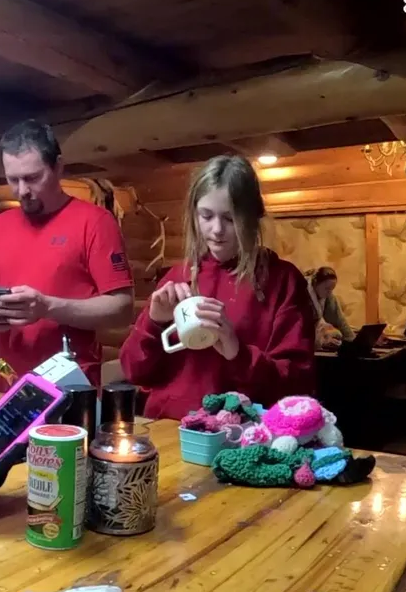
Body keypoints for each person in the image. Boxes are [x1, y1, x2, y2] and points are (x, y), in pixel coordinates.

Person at [119, 155, 316, 420]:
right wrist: (152, 324)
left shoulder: (282, 281)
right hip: (168, 429)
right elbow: (134, 372)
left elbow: (296, 386)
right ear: (194, 215)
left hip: (240, 433)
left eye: (230, 218)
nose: (217, 229)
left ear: (253, 217)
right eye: (206, 216)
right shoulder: (177, 277)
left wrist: (238, 353)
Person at [0, 119, 134, 390]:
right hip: (6, 382)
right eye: (13, 180)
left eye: (32, 178)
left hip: (70, 385)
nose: (22, 191)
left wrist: (48, 307)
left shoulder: (95, 222)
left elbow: (122, 310)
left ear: (58, 167)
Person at [306, 266, 354, 346]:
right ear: (315, 283)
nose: (329, 292)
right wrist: (322, 340)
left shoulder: (329, 298)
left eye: (332, 289)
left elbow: (341, 322)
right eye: (327, 288)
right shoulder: (301, 295)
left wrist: (354, 342)